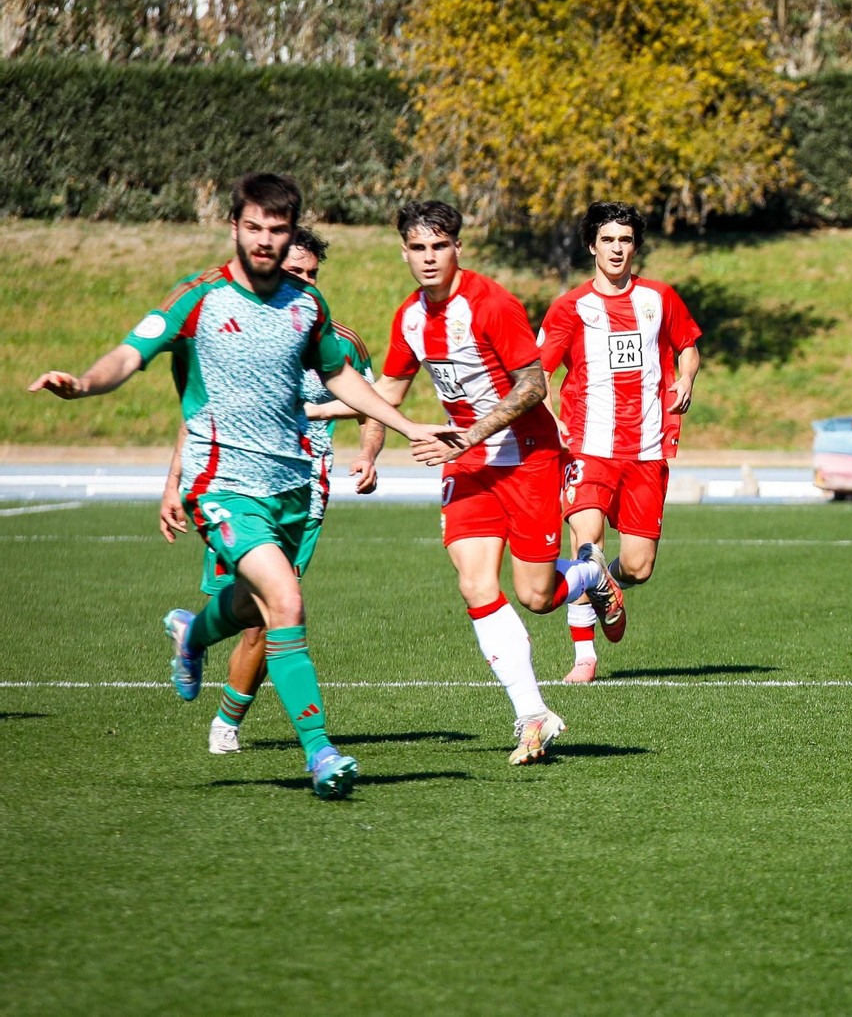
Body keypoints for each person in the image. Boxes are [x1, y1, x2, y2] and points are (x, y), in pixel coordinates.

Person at [29, 172, 453, 798]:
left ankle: (192, 633)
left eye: (276, 230)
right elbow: (131, 352)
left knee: (254, 605)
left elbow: (343, 379)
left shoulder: (307, 306)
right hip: (221, 483)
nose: (263, 240)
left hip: (292, 486)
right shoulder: (199, 297)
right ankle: (321, 753)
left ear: (290, 233)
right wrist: (86, 384)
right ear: (234, 227)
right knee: (285, 601)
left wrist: (408, 424)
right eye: (252, 227)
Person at [376, 200, 625, 764]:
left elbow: (533, 386)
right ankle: (533, 714)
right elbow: (387, 392)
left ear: (457, 248)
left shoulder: (491, 303)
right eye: (418, 248)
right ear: (405, 253)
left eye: (439, 246)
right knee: (474, 584)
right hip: (468, 466)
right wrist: (363, 448)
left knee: (536, 596)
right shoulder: (409, 318)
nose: (429, 257)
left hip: (527, 458)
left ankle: (590, 573)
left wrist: (469, 435)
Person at [157, 226, 386, 754]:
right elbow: (200, 414)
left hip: (303, 494)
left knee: (271, 609)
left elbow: (370, 404)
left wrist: (368, 453)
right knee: (250, 605)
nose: (305, 281)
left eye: (313, 274)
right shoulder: (230, 326)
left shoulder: (336, 338)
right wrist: (173, 484)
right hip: (233, 483)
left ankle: (228, 721)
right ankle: (195, 636)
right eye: (295, 271)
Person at [538, 202, 702, 683]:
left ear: (635, 247)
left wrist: (686, 379)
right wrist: (549, 417)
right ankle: (583, 658)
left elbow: (687, 347)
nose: (616, 249)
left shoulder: (659, 298)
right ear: (592, 246)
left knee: (639, 566)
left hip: (647, 449)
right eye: (607, 240)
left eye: (625, 240)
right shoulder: (570, 307)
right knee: (585, 543)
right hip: (587, 445)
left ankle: (606, 582)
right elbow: (537, 372)